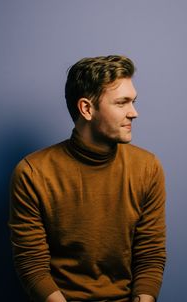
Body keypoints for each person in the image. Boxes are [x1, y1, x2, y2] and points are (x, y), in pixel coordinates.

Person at [9, 55, 166, 302]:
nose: (134, 113)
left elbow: (150, 255)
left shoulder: (147, 167)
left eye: (133, 101)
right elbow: (32, 264)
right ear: (86, 109)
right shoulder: (32, 172)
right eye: (122, 103)